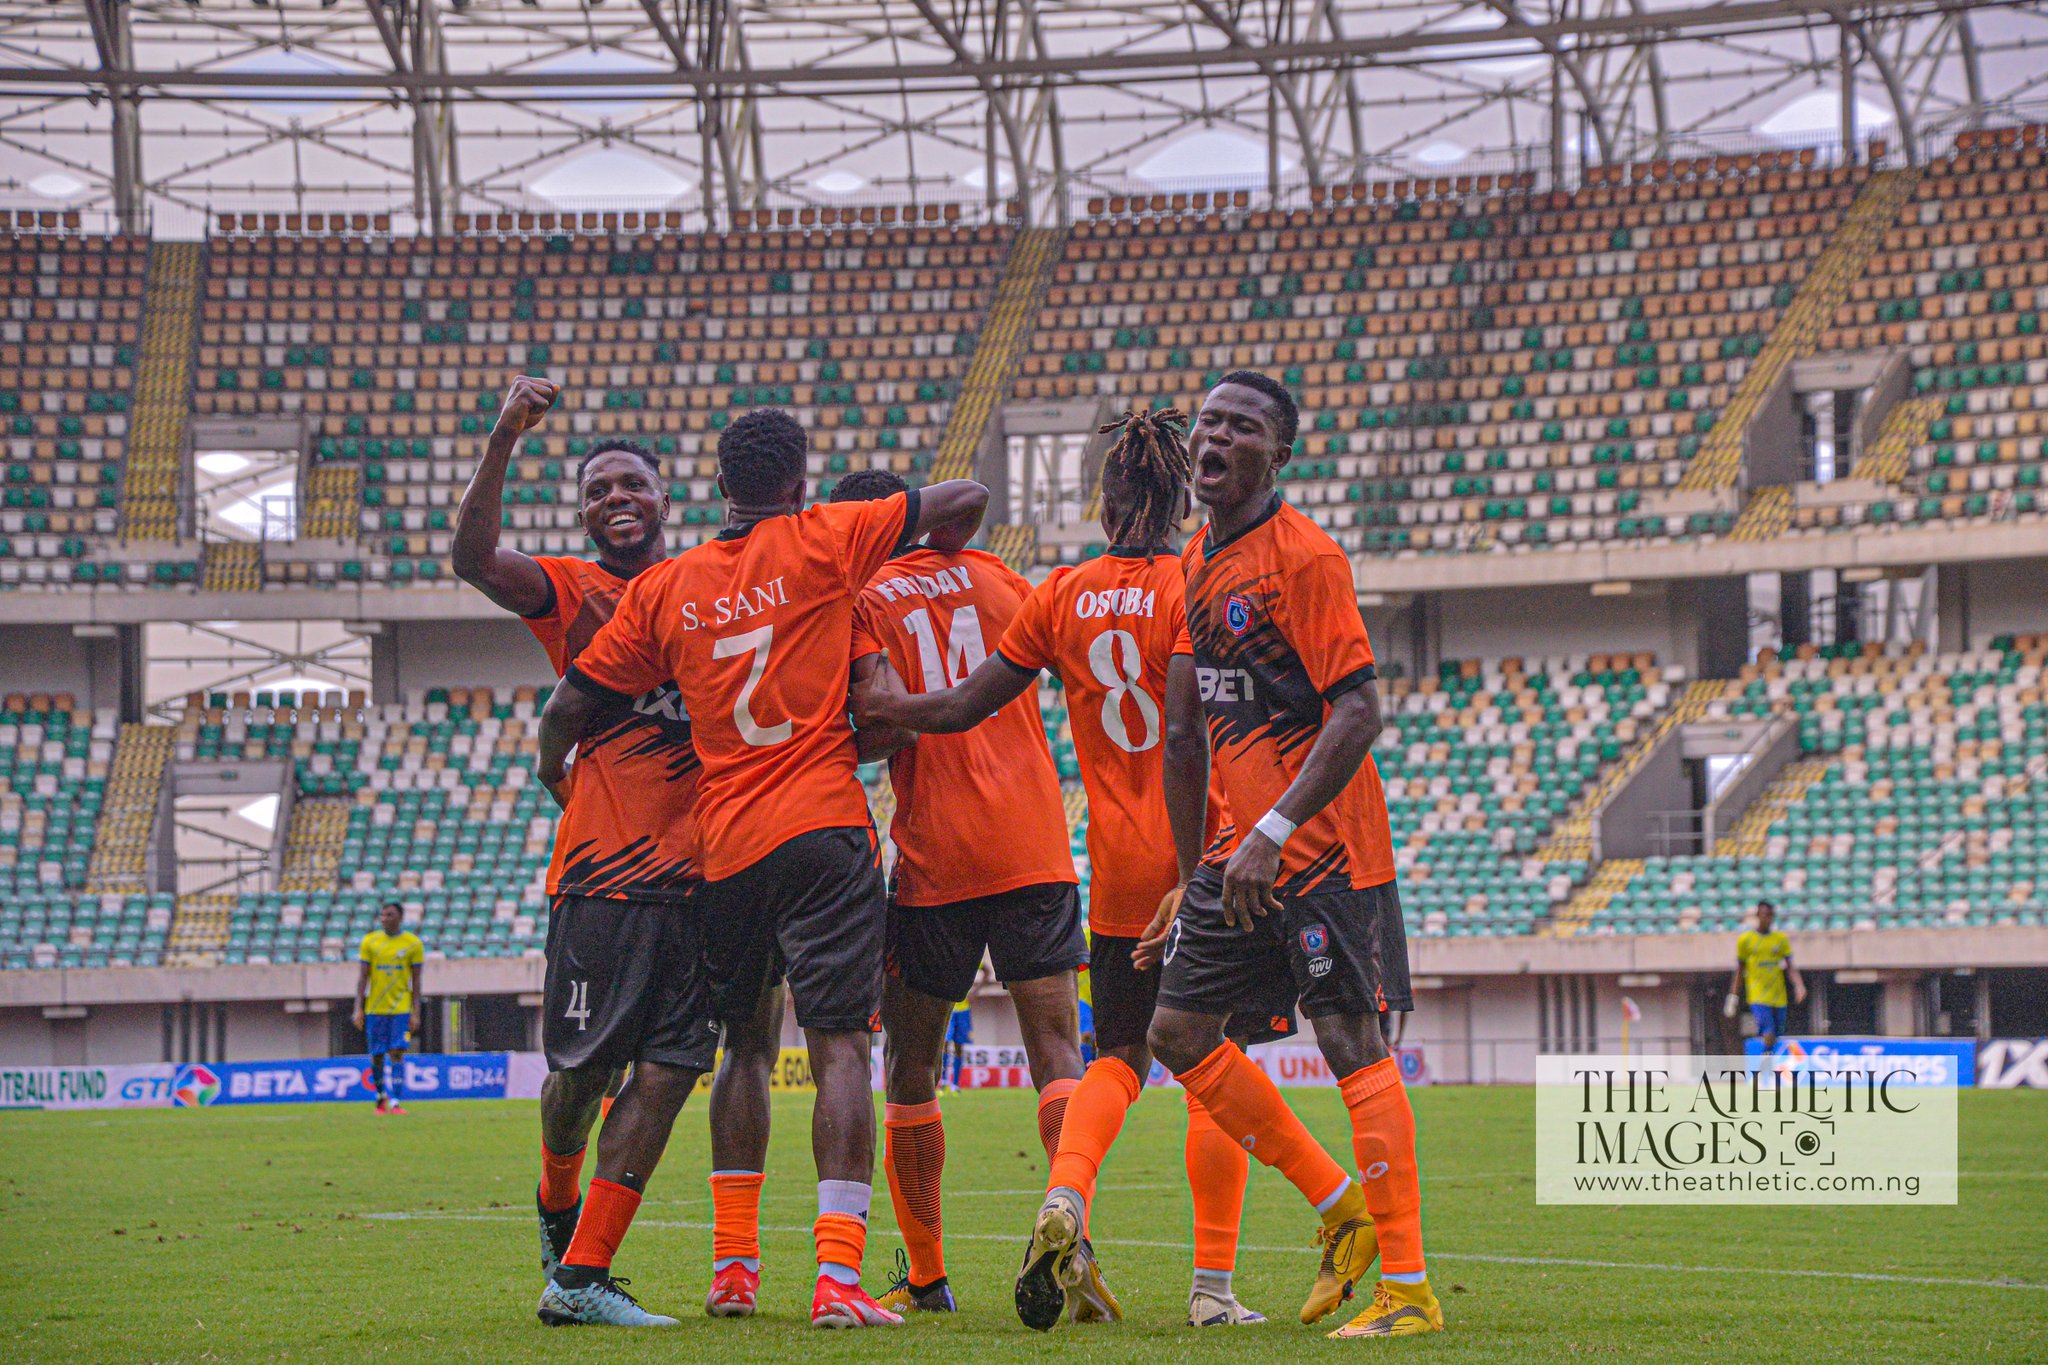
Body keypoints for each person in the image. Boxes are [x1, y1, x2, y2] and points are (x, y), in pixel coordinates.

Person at [540, 408, 989, 1329]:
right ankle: (835, 1278)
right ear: (798, 485)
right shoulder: (829, 535)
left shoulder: (668, 585)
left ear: (713, 487)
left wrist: (558, 773)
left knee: (742, 1046)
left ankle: (734, 1268)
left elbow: (573, 699)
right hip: (822, 831)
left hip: (725, 849)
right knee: (840, 1049)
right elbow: (968, 496)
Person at [853, 407, 1274, 1330]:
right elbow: (1201, 726)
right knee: (1184, 1058)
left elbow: (945, 707)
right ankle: (1210, 1285)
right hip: (1132, 852)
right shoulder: (1118, 582)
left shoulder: (1045, 591)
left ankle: (973, 1253)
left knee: (965, 1063)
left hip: (1035, 861)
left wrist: (887, 706)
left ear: (1106, 496)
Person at [1147, 372, 1441, 1339]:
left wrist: (1273, 830)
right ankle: (1342, 1206)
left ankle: (1408, 1290)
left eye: (1242, 427)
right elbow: (1194, 731)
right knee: (1179, 1034)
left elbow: (1359, 708)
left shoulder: (1305, 559)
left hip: (1319, 851)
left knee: (1352, 1040)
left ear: (1281, 455)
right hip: (1239, 856)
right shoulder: (1195, 559)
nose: (1215, 437)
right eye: (1209, 422)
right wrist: (1199, 865)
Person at [454, 375, 735, 1328]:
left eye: (631, 486)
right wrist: (504, 436)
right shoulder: (570, 592)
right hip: (602, 873)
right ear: (583, 511)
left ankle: (581, 1276)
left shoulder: (704, 591)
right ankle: (555, 1201)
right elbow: (473, 556)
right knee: (578, 1077)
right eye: (598, 490)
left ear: (666, 502)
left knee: (669, 1068)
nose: (615, 499)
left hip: (700, 876)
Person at [832, 469, 1093, 1320]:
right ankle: (1071, 1235)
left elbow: (871, 726)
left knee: (910, 1064)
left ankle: (928, 1274)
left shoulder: (863, 597)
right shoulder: (997, 575)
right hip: (1034, 840)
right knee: (1057, 1052)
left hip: (937, 855)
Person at [353, 901, 424, 1116]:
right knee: (377, 1055)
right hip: (375, 1009)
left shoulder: (413, 944)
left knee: (397, 1051)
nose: (384, 918)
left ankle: (395, 1102)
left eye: (389, 915)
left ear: (400, 917)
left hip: (400, 1009)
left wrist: (416, 1012)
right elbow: (363, 977)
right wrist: (358, 1008)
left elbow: (417, 981)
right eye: (382, 915)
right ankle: (380, 1096)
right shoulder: (370, 941)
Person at [1728, 900, 1804, 1051]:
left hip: (1778, 996)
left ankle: (1766, 1062)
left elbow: (1790, 966)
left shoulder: (1780, 940)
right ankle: (1765, 1064)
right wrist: (1733, 997)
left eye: (1769, 916)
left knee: (1776, 1035)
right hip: (1758, 995)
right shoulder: (1746, 940)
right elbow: (1740, 969)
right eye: (1763, 915)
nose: (1766, 919)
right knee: (1768, 1031)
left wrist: (1799, 985)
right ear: (1757, 915)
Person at [944, 999, 973, 1091]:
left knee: (959, 1048)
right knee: (944, 1045)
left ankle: (955, 1084)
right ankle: (944, 1081)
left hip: (963, 1010)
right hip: (948, 1008)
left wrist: (973, 993)